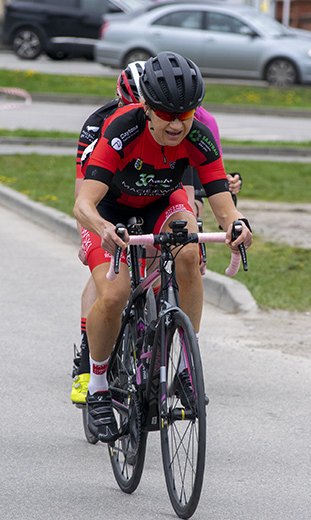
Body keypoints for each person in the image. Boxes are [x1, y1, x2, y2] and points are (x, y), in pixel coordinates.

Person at [73, 51, 253, 442]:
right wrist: (102, 227)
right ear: (148, 109)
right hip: (110, 209)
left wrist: (236, 225)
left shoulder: (199, 136)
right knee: (115, 293)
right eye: (168, 114)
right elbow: (83, 203)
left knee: (189, 251)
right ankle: (99, 386)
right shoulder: (122, 129)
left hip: (160, 203)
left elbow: (223, 203)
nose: (177, 124)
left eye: (186, 114)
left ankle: (187, 366)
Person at [70, 61, 146, 406]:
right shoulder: (98, 124)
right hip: (107, 198)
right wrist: (84, 236)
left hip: (145, 196)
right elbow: (82, 189)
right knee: (102, 279)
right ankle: (86, 361)